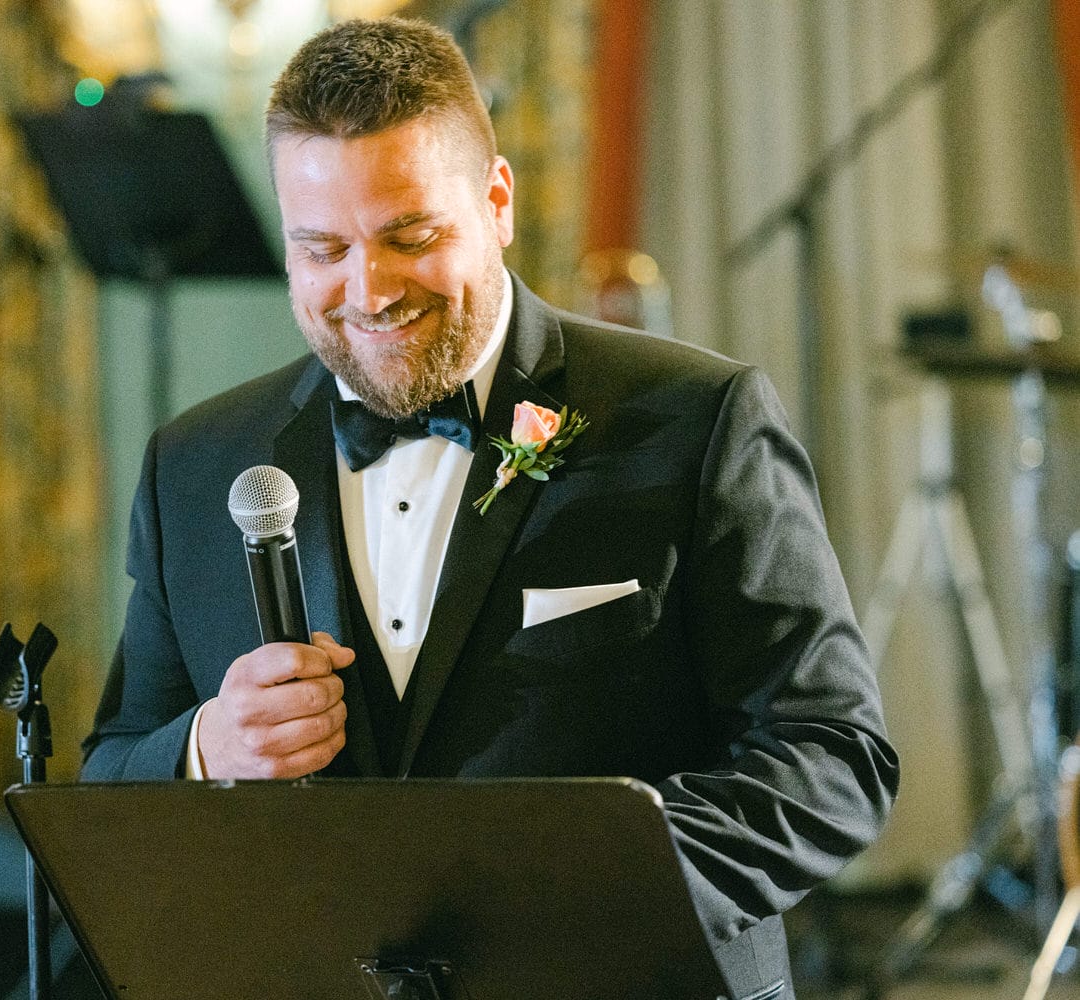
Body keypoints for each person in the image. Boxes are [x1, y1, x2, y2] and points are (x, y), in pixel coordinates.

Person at [81, 16, 897, 999]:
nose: (368, 290)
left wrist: (584, 881)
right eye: (323, 249)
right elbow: (110, 781)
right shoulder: (195, 464)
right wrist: (209, 747)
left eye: (409, 237)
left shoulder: (697, 422)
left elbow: (833, 756)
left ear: (498, 201)